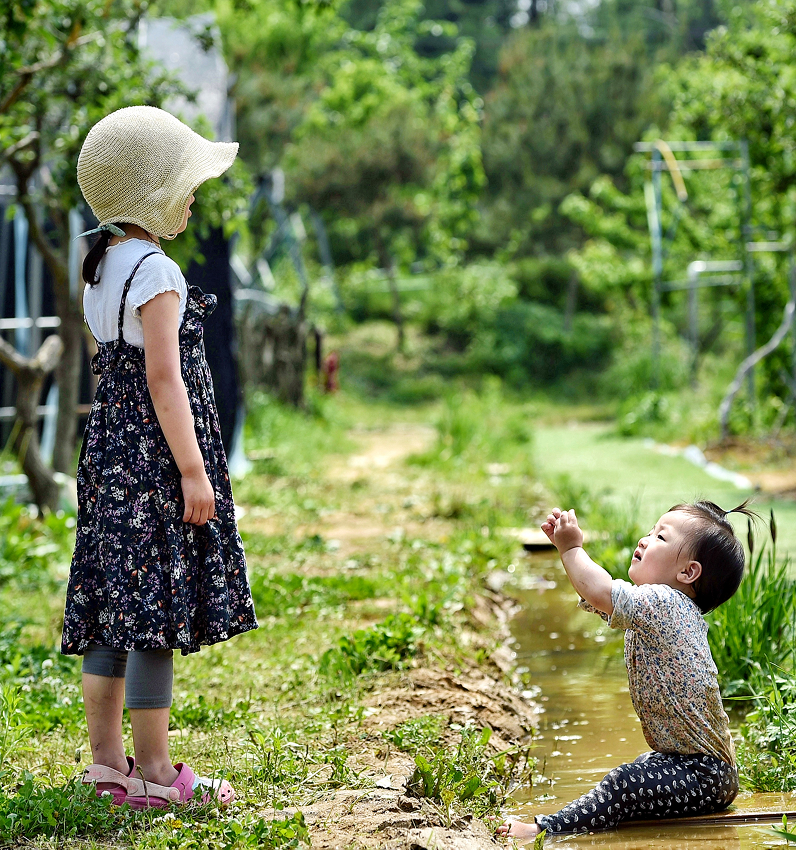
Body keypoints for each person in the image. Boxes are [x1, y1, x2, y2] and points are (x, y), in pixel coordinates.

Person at [61, 105, 258, 808]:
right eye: (186, 183)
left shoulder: (101, 267)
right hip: (154, 459)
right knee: (153, 609)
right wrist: (194, 468)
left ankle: (109, 764)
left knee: (114, 600)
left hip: (110, 455)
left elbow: (116, 370)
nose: (194, 196)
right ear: (155, 194)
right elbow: (163, 378)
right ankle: (155, 770)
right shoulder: (157, 271)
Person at [498, 500, 754, 840]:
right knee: (639, 770)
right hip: (691, 767)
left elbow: (601, 591)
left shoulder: (666, 605)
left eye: (660, 538)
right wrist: (568, 554)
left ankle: (545, 830)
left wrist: (572, 548)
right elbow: (594, 593)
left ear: (688, 573)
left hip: (704, 776)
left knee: (624, 782)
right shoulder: (658, 609)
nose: (645, 539)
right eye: (650, 531)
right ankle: (597, 817)